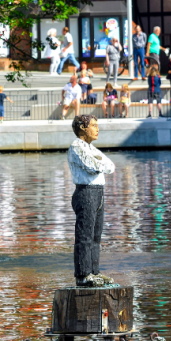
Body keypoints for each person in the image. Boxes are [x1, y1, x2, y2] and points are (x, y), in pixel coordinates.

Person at [67, 114, 116, 286]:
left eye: (97, 125)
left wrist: (99, 163)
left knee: (96, 236)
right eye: (94, 125)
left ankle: (95, 271)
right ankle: (82, 274)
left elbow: (111, 166)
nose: (97, 129)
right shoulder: (76, 147)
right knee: (84, 236)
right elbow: (93, 166)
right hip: (85, 192)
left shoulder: (92, 148)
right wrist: (99, 164)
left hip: (98, 193)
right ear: (82, 127)